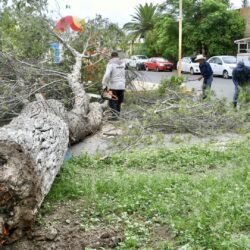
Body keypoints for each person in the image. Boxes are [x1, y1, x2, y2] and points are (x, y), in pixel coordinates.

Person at [102, 51, 126, 119]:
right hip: (122, 86)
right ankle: (117, 116)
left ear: (111, 56)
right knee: (119, 102)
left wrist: (104, 84)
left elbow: (107, 75)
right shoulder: (123, 63)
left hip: (113, 85)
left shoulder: (110, 63)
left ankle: (114, 117)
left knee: (112, 101)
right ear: (117, 56)